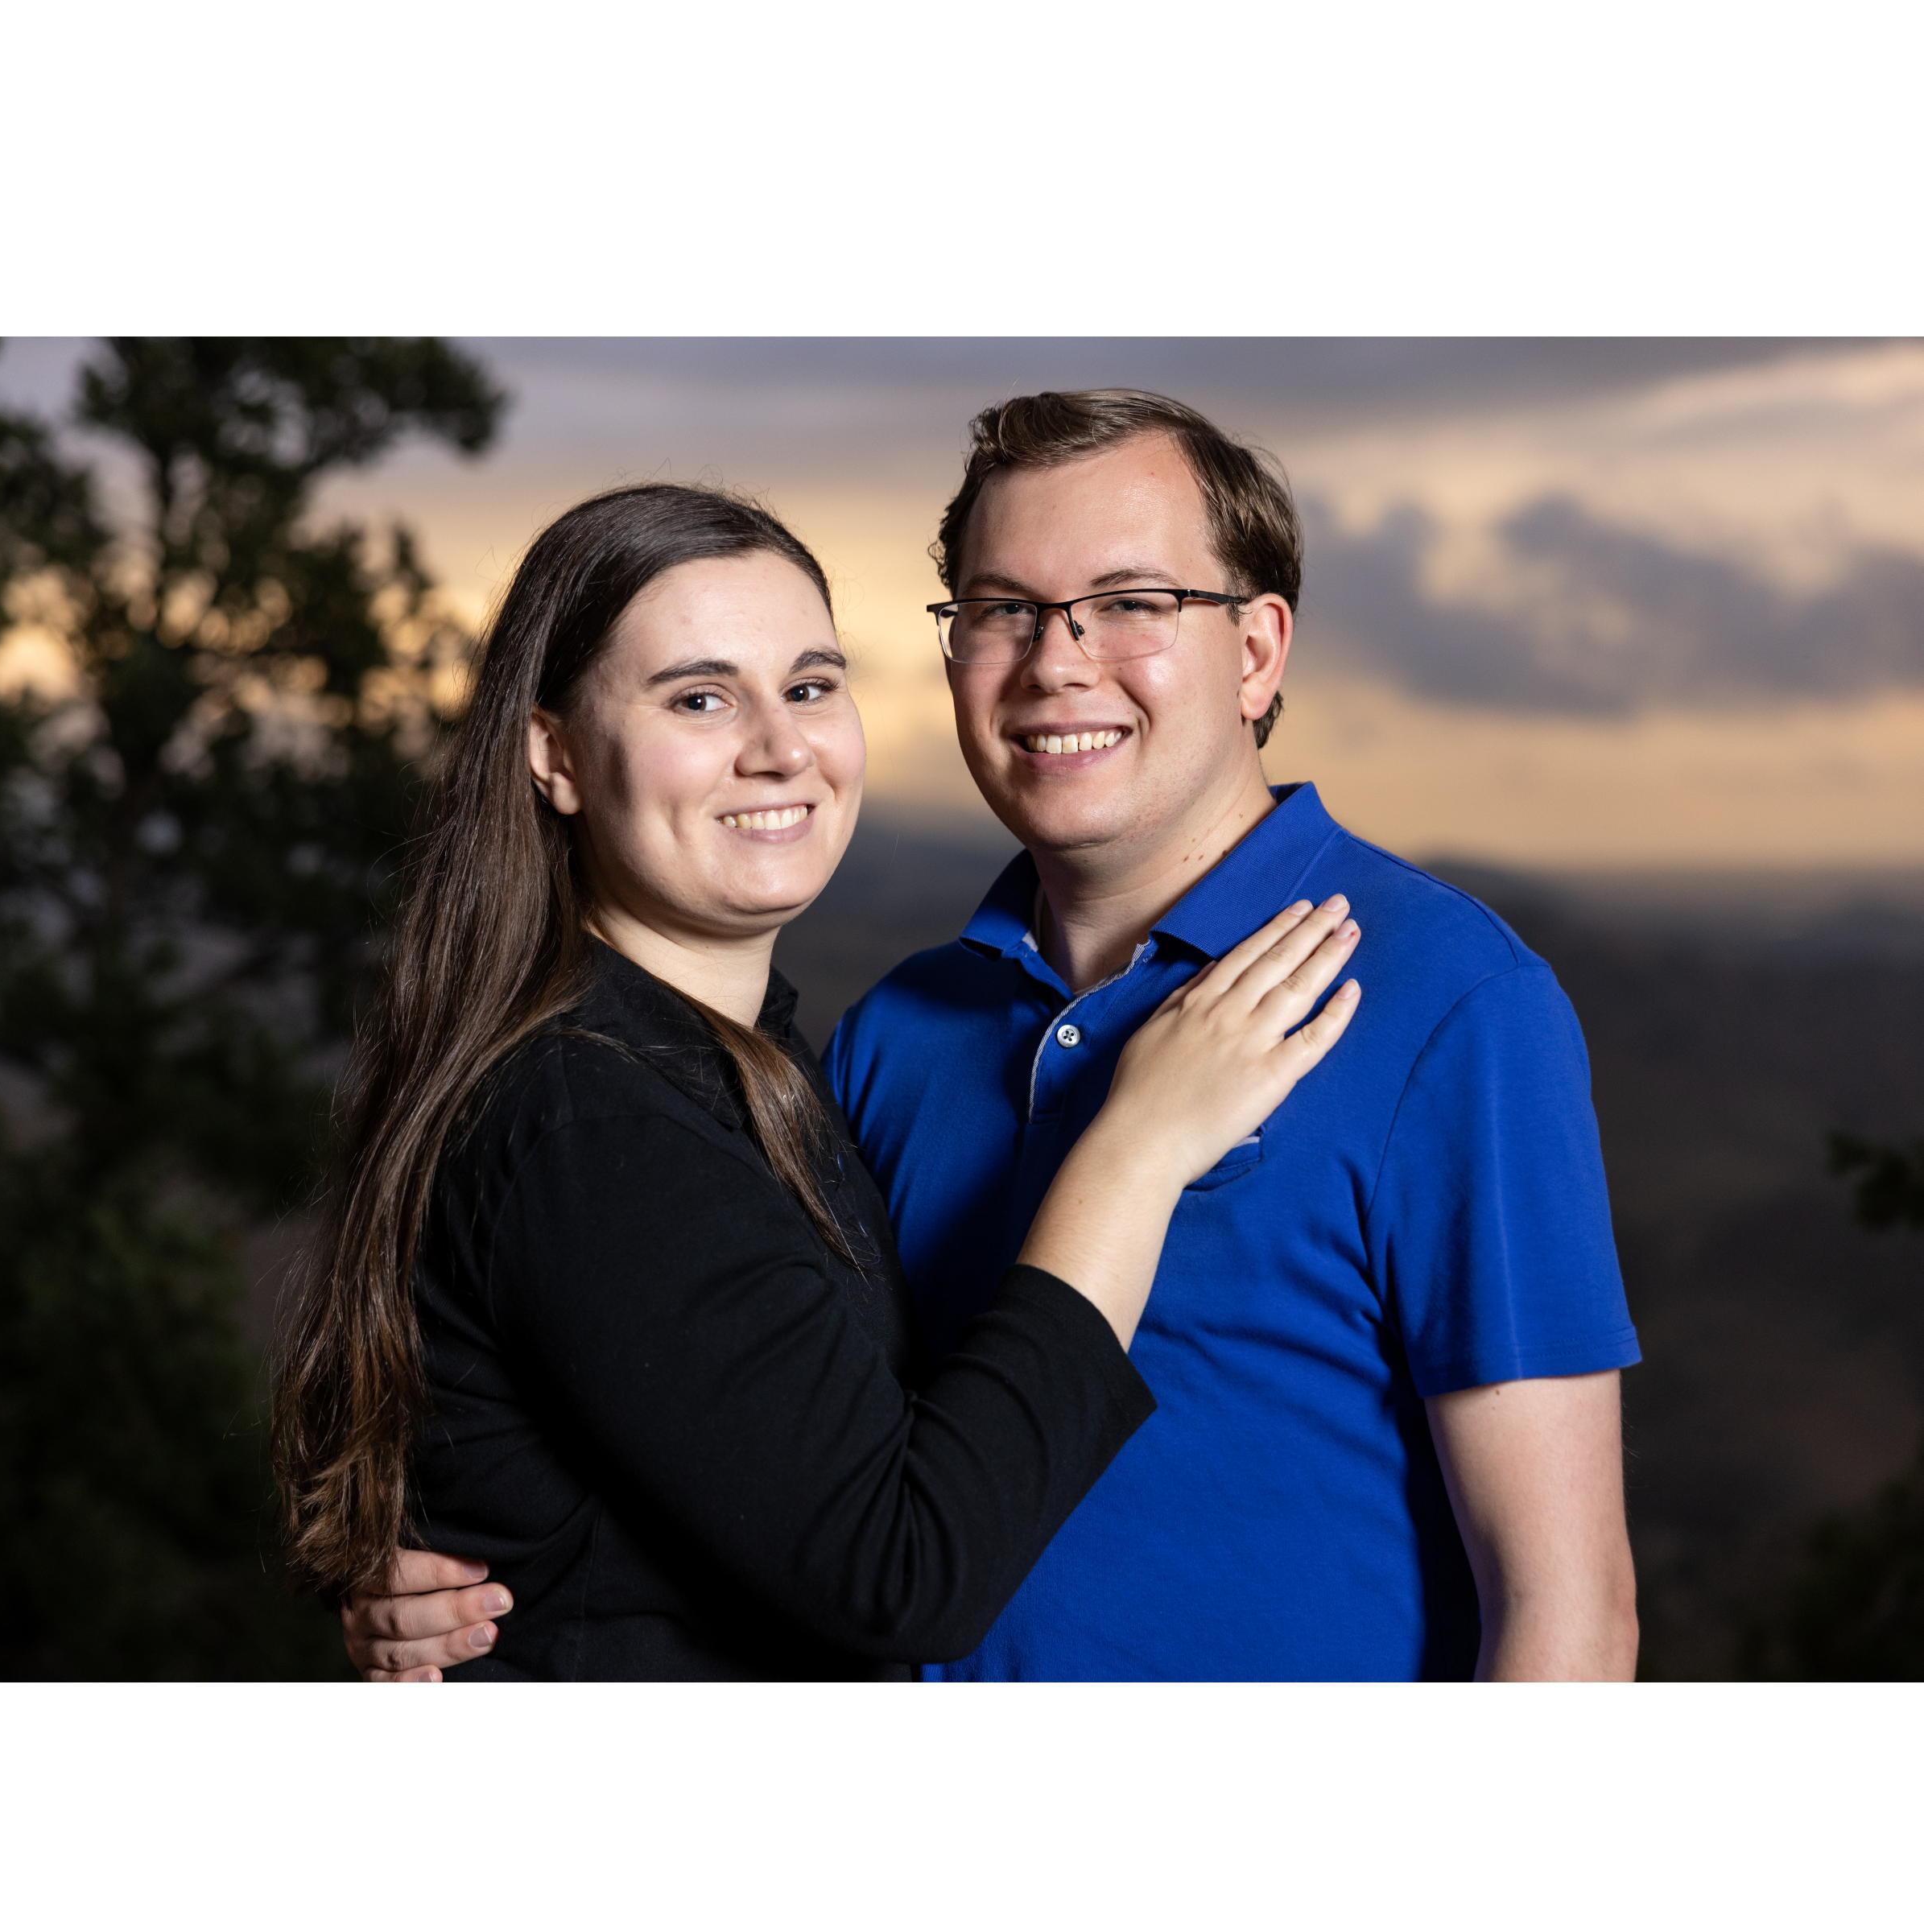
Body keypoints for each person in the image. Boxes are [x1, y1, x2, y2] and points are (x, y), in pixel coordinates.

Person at [353, 390, 1641, 1682]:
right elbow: (778, 1451)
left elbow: (1566, 1611)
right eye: (1003, 610)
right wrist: (490, 1565)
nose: (1056, 662)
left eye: (1130, 603)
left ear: (1255, 653)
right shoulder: (893, 1035)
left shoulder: (1443, 1002)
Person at [276, 479, 1361, 1680]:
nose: (780, 748)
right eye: (700, 698)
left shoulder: (751, 1065)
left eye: (808, 687)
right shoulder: (595, 1117)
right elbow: (902, 1578)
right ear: (556, 755)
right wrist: (1137, 1147)